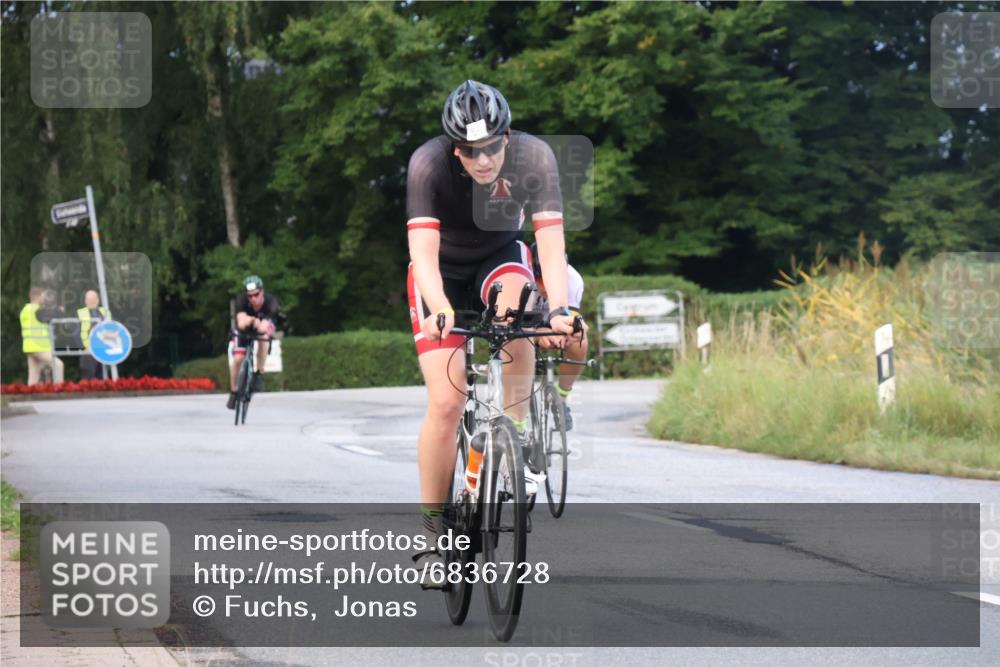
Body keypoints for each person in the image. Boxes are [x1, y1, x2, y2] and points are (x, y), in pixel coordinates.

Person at [406, 80, 580, 572]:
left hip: (499, 259)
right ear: (453, 148)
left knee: (517, 315)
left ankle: (516, 435)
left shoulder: (536, 157)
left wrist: (560, 309)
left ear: (508, 136)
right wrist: (438, 304)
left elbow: (550, 241)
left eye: (492, 148)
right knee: (446, 400)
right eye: (469, 151)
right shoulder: (428, 164)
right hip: (441, 273)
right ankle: (432, 529)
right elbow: (422, 253)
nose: (483, 161)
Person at [529, 242, 588, 430]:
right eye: (540, 280)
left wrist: (571, 332)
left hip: (557, 324)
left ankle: (562, 399)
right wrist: (537, 334)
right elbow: (513, 322)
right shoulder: (521, 277)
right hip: (527, 326)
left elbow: (573, 316)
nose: (545, 287)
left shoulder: (573, 279)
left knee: (581, 338)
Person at [227, 275, 280, 409]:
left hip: (263, 327)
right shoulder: (241, 300)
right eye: (250, 296)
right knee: (238, 358)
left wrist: (254, 322)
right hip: (245, 328)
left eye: (256, 295)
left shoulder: (271, 302)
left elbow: (263, 327)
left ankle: (259, 373)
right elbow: (241, 322)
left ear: (262, 291)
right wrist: (252, 320)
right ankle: (233, 391)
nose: (253, 299)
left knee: (264, 338)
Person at [19, 287, 64, 385]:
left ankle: (29, 397)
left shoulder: (25, 310)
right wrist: (59, 310)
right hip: (39, 346)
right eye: (43, 296)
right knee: (58, 365)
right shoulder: (37, 310)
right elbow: (52, 315)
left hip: (29, 346)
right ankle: (60, 389)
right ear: (38, 296)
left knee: (33, 376)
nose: (44, 299)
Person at [77, 290, 112, 380]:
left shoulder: (106, 312)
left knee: (103, 375)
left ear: (98, 300)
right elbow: (75, 333)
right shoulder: (80, 313)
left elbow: (111, 329)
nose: (91, 302)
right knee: (88, 375)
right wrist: (83, 347)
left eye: (93, 299)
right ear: (85, 301)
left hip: (104, 348)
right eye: (89, 299)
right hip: (88, 349)